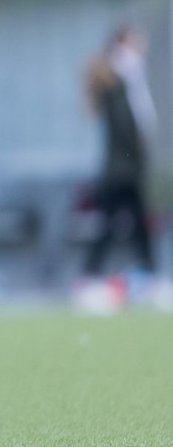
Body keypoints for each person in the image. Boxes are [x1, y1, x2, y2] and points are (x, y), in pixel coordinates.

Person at [77, 26, 158, 312]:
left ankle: (147, 276)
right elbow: (127, 128)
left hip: (123, 169)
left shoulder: (127, 77)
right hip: (122, 170)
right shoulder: (119, 80)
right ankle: (90, 281)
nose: (142, 44)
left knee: (134, 226)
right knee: (117, 224)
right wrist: (136, 159)